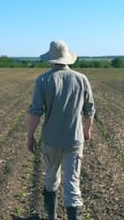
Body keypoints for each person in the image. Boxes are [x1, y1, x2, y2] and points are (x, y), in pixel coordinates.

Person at [27, 40, 96, 220]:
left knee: (51, 179)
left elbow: (35, 112)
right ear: (67, 58)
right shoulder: (82, 79)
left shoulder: (43, 79)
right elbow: (90, 110)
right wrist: (87, 130)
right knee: (73, 185)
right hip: (74, 140)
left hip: (50, 140)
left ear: (51, 59)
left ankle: (52, 217)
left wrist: (30, 137)